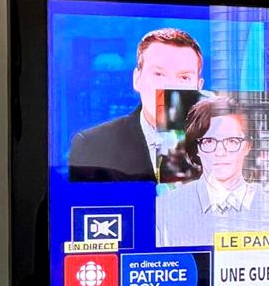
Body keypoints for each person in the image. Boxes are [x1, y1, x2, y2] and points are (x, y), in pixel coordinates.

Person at [68, 27, 203, 181]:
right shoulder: (92, 146)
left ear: (199, 87)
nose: (170, 87)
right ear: (137, 79)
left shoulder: (220, 146)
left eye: (184, 78)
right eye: (159, 74)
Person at [153, 97, 269, 247]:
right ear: (197, 148)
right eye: (209, 141)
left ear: (247, 146)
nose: (220, 152)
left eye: (232, 141)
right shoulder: (165, 209)